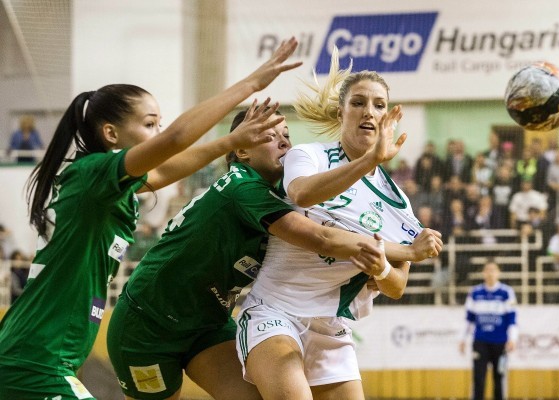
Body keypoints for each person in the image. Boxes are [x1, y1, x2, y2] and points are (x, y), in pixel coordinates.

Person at [0, 37, 303, 400]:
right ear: (111, 133)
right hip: (35, 361)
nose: (159, 133)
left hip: (42, 356)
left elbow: (164, 170)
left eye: (159, 124)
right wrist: (250, 86)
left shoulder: (110, 188)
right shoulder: (92, 174)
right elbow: (176, 140)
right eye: (149, 124)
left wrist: (227, 143)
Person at [106, 108, 439, 400]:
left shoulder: (281, 194)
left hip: (207, 324)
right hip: (147, 322)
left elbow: (340, 235)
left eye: (287, 135)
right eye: (270, 136)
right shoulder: (242, 186)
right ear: (241, 150)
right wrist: (409, 251)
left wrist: (374, 269)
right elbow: (322, 238)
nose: (284, 143)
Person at [236, 49, 443, 400]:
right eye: (358, 103)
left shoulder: (398, 204)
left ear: (388, 118)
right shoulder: (309, 156)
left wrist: (380, 268)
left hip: (331, 327)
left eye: (379, 105)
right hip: (274, 311)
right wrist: (369, 161)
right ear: (340, 113)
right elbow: (302, 194)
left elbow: (397, 286)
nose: (369, 111)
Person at [459, 260, 518, 400]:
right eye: (487, 270)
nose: (490, 273)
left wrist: (512, 339)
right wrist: (462, 339)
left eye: (493, 270)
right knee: (478, 378)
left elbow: (512, 319)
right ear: (483, 273)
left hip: (500, 343)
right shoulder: (475, 292)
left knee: (499, 378)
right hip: (480, 342)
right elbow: (468, 319)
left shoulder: (507, 292)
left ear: (498, 273)